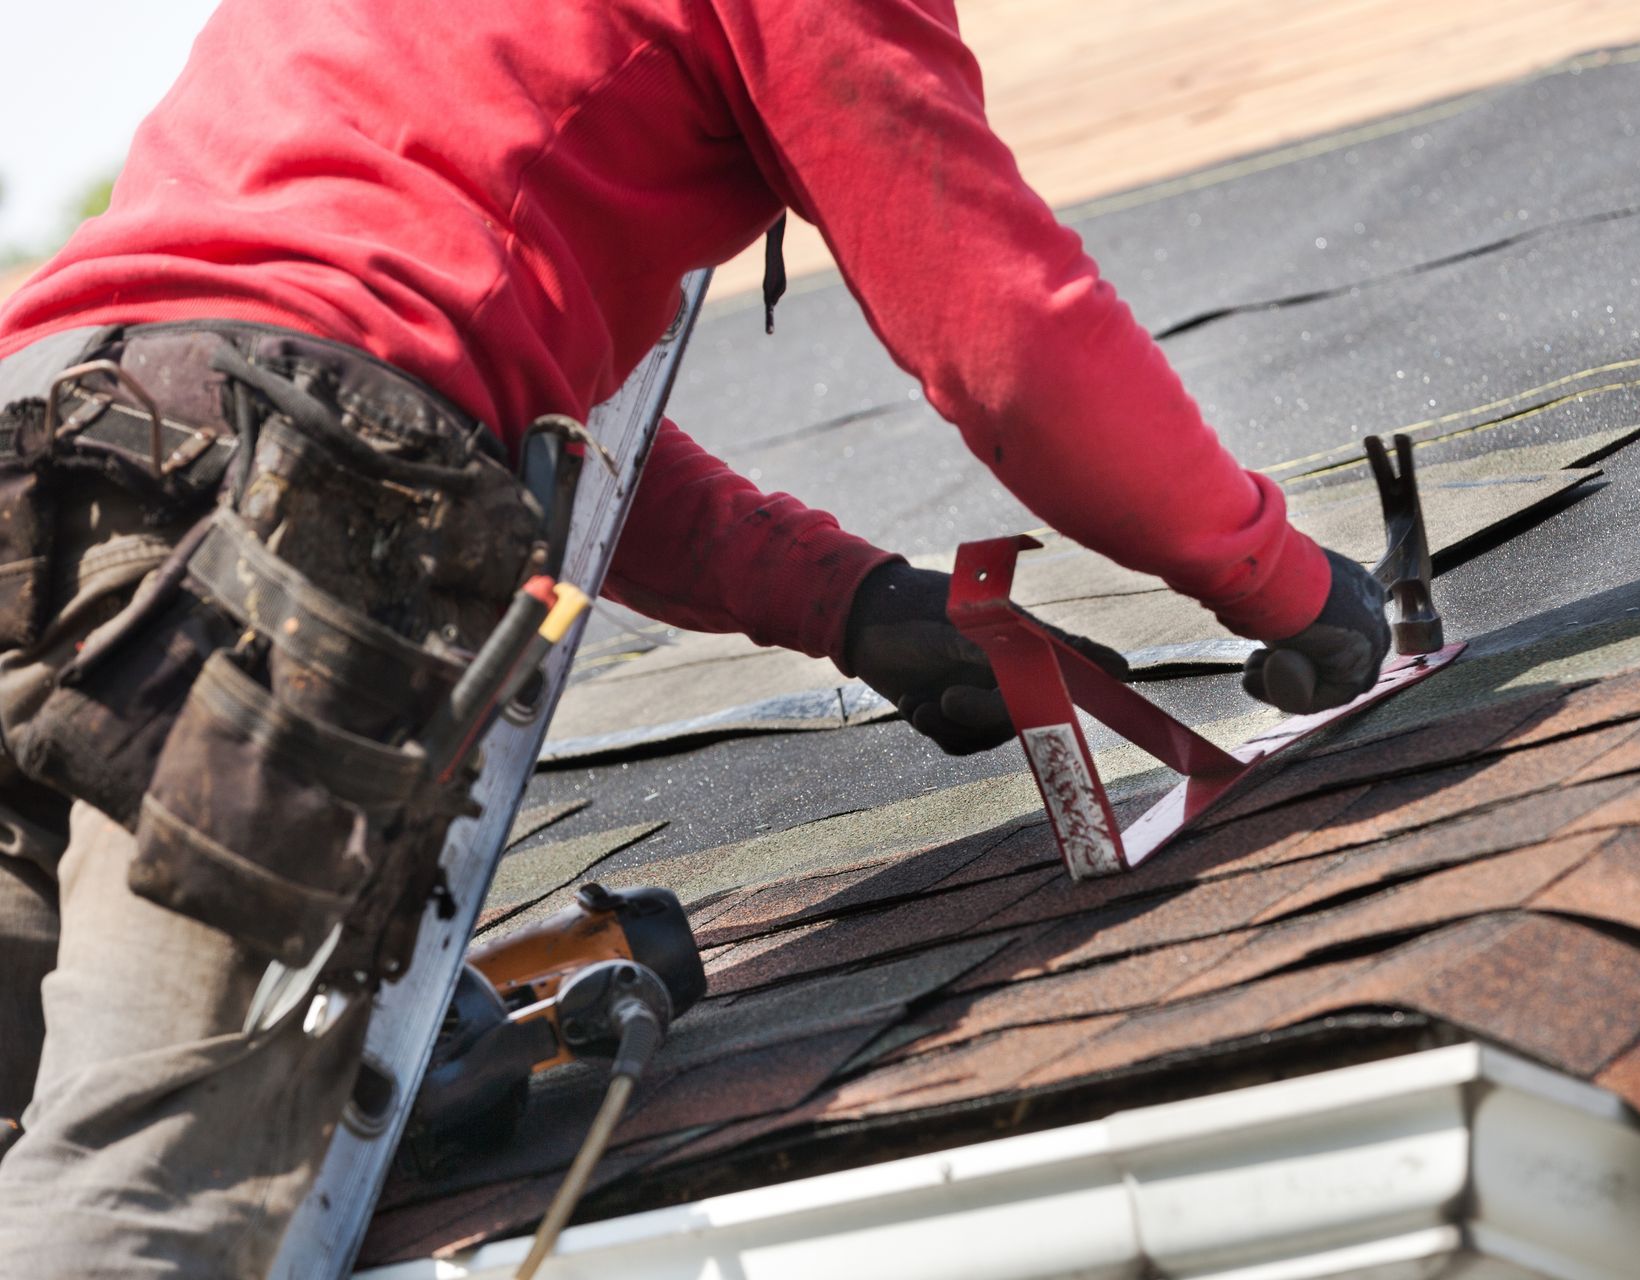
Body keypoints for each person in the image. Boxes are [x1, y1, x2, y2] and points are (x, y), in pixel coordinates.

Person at [0, 0, 1389, 1271]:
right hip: (287, 542)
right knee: (140, 1189)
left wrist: (838, 597)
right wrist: (1275, 578)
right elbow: (1007, 338)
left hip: (48, 464)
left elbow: (430, 380)